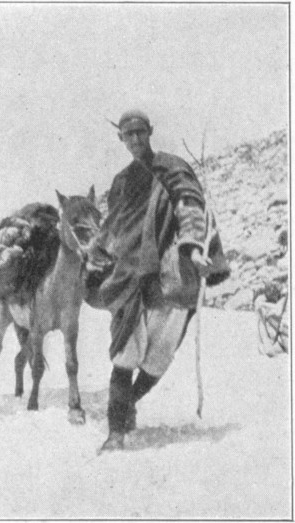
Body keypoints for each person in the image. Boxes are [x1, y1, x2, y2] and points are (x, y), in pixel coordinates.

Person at [87, 110, 229, 452]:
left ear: (150, 132)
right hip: (130, 277)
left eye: (140, 133)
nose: (135, 140)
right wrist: (97, 253)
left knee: (158, 359)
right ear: (121, 139)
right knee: (124, 354)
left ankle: (130, 402)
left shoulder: (171, 167)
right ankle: (115, 432)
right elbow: (115, 226)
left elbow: (189, 206)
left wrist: (194, 249)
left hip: (170, 273)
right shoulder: (121, 182)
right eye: (128, 135)